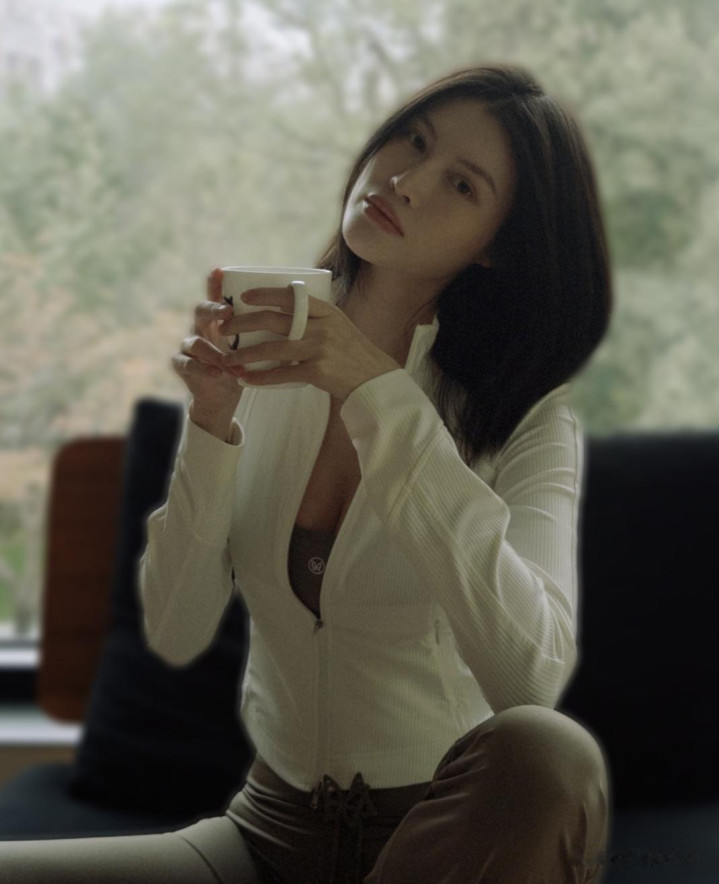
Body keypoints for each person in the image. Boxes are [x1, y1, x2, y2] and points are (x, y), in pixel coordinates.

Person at [0, 63, 614, 883]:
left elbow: (529, 675)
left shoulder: (528, 419)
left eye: (460, 184)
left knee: (550, 750)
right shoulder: (267, 363)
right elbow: (176, 629)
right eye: (413, 141)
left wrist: (375, 393)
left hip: (439, 844)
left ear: (497, 246)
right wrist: (211, 428)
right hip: (265, 833)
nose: (406, 179)